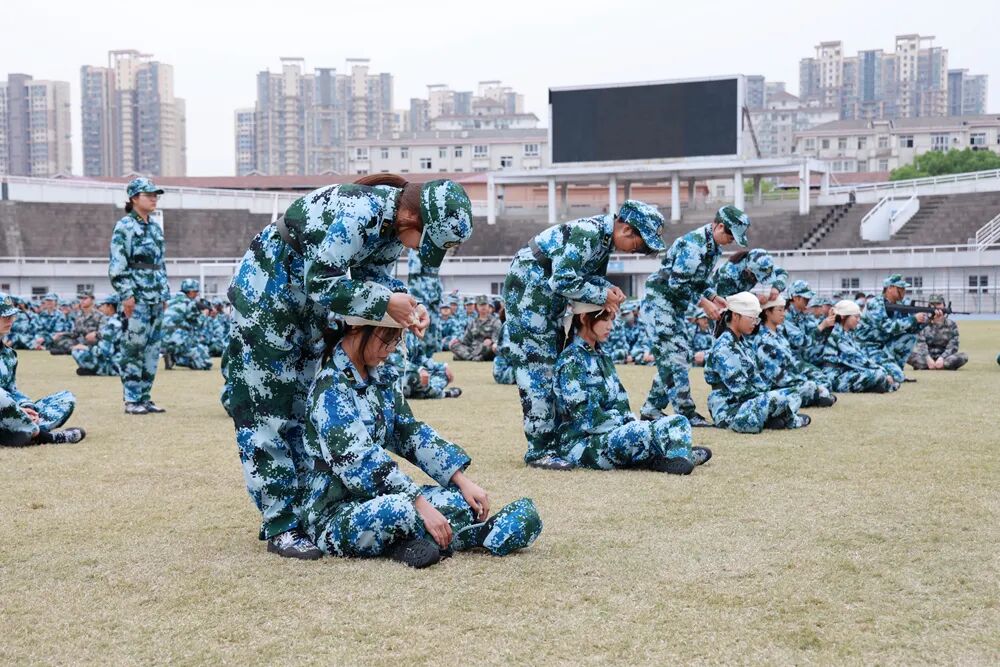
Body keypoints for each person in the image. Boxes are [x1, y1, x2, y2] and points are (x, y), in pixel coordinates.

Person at [224, 174, 472, 560]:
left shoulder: (393, 227)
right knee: (267, 409)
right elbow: (322, 281)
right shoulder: (360, 212)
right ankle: (281, 524)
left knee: (305, 406)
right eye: (424, 240)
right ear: (413, 218)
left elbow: (374, 282)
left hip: (306, 304)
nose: (418, 249)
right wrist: (385, 302)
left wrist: (409, 306)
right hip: (267, 295)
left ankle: (305, 510)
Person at [302, 314, 542, 567]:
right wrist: (418, 503)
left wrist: (461, 480)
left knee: (460, 501)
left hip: (376, 497)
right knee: (401, 509)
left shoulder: (380, 377)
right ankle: (436, 537)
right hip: (333, 511)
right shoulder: (331, 387)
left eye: (396, 340)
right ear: (356, 328)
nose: (391, 349)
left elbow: (410, 432)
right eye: (386, 339)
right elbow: (360, 463)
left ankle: (419, 540)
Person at [502, 200, 665, 469]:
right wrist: (602, 294)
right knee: (538, 371)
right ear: (626, 229)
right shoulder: (589, 233)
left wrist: (608, 289)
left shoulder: (603, 240)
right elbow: (563, 279)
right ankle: (539, 451)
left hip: (547, 301)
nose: (637, 251)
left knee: (553, 366)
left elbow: (587, 278)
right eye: (639, 245)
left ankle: (559, 442)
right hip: (529, 298)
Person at [553, 303, 710, 474]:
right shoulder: (572, 360)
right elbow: (584, 416)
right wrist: (625, 425)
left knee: (678, 421)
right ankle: (672, 454)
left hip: (612, 435)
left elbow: (621, 403)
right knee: (641, 432)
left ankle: (671, 456)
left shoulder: (602, 357)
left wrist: (630, 423)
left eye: (611, 320)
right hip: (583, 445)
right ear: (584, 318)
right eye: (605, 320)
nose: (610, 326)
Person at [640, 205, 750, 425]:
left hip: (673, 307)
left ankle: (651, 410)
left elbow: (699, 281)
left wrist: (713, 296)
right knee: (677, 356)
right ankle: (686, 412)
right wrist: (704, 304)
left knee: (675, 357)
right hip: (660, 305)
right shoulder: (694, 245)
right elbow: (677, 283)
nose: (731, 241)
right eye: (731, 235)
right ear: (720, 227)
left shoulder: (713, 248)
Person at [704, 292, 809, 433]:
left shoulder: (741, 343)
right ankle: (786, 419)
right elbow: (742, 390)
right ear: (735, 315)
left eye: (756, 319)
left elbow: (757, 381)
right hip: (730, 410)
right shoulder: (725, 347)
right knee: (788, 395)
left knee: (791, 394)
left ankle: (774, 418)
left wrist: (769, 396)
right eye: (751, 318)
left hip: (747, 403)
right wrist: (770, 399)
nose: (755, 323)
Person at [109, 177, 170, 415]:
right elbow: (118, 264)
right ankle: (132, 399)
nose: (154, 198)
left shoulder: (155, 227)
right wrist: (126, 294)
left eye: (156, 195)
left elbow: (160, 264)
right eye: (149, 195)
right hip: (137, 297)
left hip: (155, 296)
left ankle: (145, 397)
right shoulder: (124, 226)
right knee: (134, 348)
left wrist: (164, 294)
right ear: (134, 198)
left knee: (152, 350)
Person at [0, 293, 86, 446]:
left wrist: (26, 407)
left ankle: (22, 430)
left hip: (9, 414)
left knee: (66, 398)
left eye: (12, 315)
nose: (10, 320)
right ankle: (45, 437)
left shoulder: (9, 355)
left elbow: (11, 390)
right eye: (4, 316)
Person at [753, 296, 836, 408]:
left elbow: (790, 363)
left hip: (789, 379)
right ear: (767, 312)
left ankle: (816, 395)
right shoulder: (764, 340)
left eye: (784, 310)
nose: (783, 314)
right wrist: (803, 381)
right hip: (774, 386)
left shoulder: (779, 333)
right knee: (809, 386)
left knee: (818, 382)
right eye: (779, 310)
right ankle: (816, 396)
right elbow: (777, 375)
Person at [854, 274, 930, 383]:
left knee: (910, 337)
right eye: (900, 288)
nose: (903, 291)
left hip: (884, 346)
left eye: (904, 288)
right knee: (897, 377)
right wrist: (913, 319)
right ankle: (888, 372)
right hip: (868, 348)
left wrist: (927, 320)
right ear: (889, 288)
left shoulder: (899, 304)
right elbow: (888, 327)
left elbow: (911, 329)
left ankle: (896, 369)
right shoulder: (875, 304)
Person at [818, 300, 898, 393]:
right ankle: (881, 385)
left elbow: (861, 356)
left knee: (883, 374)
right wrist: (883, 371)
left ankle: (880, 385)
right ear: (843, 316)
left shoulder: (848, 333)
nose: (858, 320)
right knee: (878, 374)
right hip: (835, 377)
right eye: (856, 317)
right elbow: (856, 358)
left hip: (845, 371)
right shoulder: (837, 334)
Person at [907, 294, 968, 371]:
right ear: (929, 306)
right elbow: (920, 343)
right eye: (933, 304)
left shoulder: (951, 324)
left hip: (946, 358)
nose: (936, 307)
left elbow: (953, 345)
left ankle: (935, 365)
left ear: (944, 305)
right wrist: (928, 358)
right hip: (925, 358)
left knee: (964, 356)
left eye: (938, 304)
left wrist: (942, 358)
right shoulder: (923, 322)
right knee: (905, 354)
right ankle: (935, 365)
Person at [162, 279, 212, 371]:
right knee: (205, 362)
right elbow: (198, 325)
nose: (197, 294)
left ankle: (172, 354)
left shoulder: (169, 301)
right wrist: (204, 314)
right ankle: (176, 358)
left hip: (163, 342)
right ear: (191, 292)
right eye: (196, 292)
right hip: (179, 342)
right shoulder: (189, 303)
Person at [401, 330, 462, 399]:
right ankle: (444, 394)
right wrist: (418, 369)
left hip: (412, 378)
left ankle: (424, 392)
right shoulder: (393, 332)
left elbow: (420, 358)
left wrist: (443, 366)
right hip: (398, 377)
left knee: (442, 372)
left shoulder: (411, 334)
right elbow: (394, 360)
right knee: (414, 377)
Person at [73, 295, 124, 377]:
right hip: (124, 363)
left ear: (110, 306)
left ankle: (99, 370)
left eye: (103, 305)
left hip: (115, 365)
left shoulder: (113, 324)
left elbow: (105, 351)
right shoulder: (122, 319)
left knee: (78, 351)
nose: (101, 307)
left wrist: (87, 348)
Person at [710, 248, 787, 302]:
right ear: (749, 271)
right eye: (757, 277)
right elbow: (726, 299)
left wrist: (776, 288)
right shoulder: (728, 274)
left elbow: (782, 273)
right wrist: (754, 297)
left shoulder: (763, 265)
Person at [406, 249, 443, 356]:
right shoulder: (417, 249)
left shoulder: (433, 249)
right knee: (420, 330)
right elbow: (414, 276)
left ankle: (428, 359)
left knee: (432, 331)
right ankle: (418, 359)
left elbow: (435, 275)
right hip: (422, 297)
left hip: (434, 297)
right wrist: (418, 301)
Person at [50, 290, 104, 355]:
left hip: (93, 342)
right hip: (80, 342)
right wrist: (62, 334)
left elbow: (104, 332)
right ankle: (77, 349)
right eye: (81, 299)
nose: (82, 301)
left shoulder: (100, 315)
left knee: (99, 344)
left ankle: (77, 349)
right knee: (60, 339)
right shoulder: (79, 316)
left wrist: (95, 334)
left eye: (85, 298)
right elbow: (75, 334)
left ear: (92, 300)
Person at [450, 295, 501, 361]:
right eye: (481, 305)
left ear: (488, 306)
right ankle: (473, 358)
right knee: (454, 345)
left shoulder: (495, 321)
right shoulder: (472, 322)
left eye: (485, 305)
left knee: (492, 348)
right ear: (477, 307)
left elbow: (497, 339)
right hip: (473, 349)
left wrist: (491, 341)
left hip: (486, 349)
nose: (483, 307)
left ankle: (465, 356)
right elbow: (466, 341)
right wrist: (458, 341)